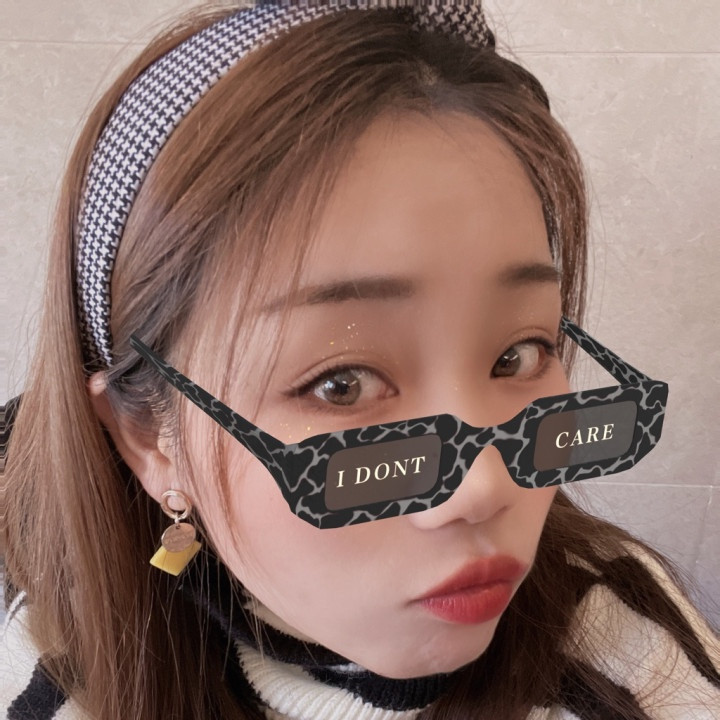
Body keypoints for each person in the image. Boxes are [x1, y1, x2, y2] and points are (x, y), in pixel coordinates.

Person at [2, 1, 719, 718]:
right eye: (341, 384)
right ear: (151, 438)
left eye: (516, 356)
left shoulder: (627, 650)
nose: (483, 487)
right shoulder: (56, 670)